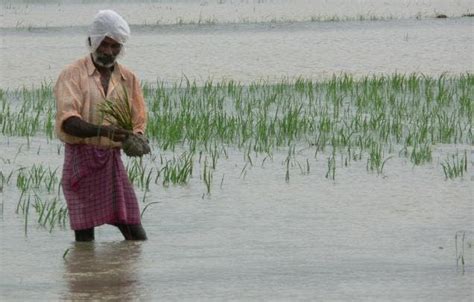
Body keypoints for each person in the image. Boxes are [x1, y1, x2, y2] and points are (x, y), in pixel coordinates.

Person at [54, 10, 148, 241]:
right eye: (104, 45)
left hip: (111, 162)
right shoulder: (72, 74)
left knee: (135, 233)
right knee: (85, 238)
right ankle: (86, 276)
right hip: (81, 161)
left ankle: (113, 273)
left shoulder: (129, 78)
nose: (108, 52)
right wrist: (103, 131)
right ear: (91, 42)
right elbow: (68, 121)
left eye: (115, 46)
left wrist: (136, 138)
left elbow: (138, 120)